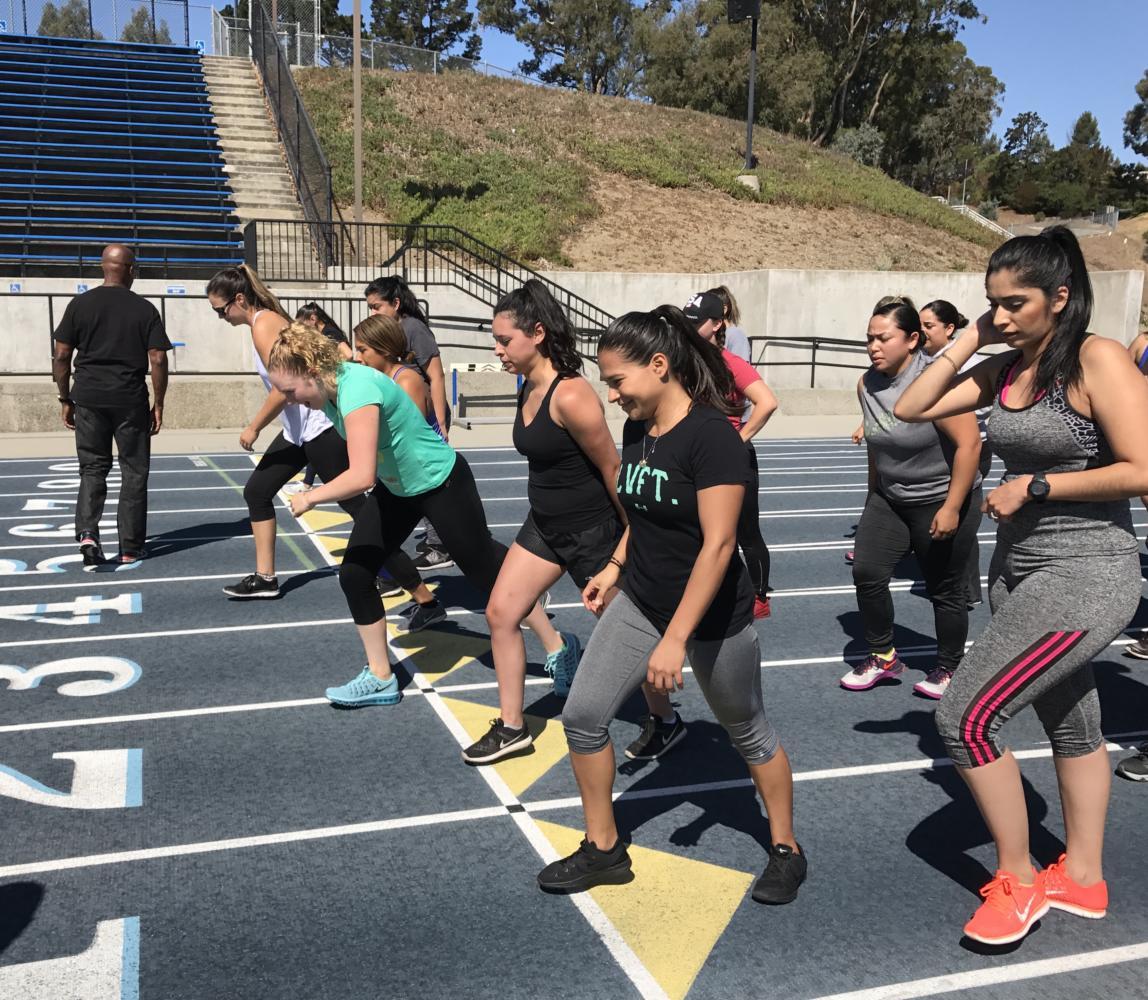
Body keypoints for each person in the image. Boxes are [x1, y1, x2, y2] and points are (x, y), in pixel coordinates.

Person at [895, 226, 1148, 944]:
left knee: (965, 719)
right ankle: (1084, 878)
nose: (1001, 316)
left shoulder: (1096, 358)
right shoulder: (1004, 366)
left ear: (1060, 297)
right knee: (1073, 724)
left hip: (1086, 574)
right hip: (1018, 571)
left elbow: (1144, 468)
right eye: (992, 303)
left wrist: (1038, 485)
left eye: (1015, 303)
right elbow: (910, 407)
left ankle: (1020, 879)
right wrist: (971, 338)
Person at [535, 306, 806, 906]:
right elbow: (644, 511)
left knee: (747, 730)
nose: (611, 396)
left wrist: (676, 639)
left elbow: (719, 545)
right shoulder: (641, 428)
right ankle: (604, 849)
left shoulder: (713, 438)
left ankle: (786, 847)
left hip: (712, 617)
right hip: (643, 599)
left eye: (617, 381)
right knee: (583, 717)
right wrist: (614, 566)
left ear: (659, 366)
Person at [265, 324, 552, 707]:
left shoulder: (356, 389)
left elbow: (361, 475)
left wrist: (311, 497)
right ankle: (381, 677)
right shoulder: (331, 390)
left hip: (440, 483)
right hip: (399, 488)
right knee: (355, 574)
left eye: (289, 392)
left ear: (313, 372)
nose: (289, 401)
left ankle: (557, 646)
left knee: (487, 575)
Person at [206, 266, 433, 614]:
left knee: (359, 510)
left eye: (221, 311)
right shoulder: (261, 323)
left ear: (239, 299)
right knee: (257, 491)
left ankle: (421, 594)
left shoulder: (264, 325)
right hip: (298, 431)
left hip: (318, 428)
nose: (221, 318)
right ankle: (265, 578)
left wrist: (254, 426)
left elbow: (285, 385)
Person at [462, 281, 624, 765]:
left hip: (593, 531)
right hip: (545, 526)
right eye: (495, 341)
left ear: (537, 333)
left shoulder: (570, 395)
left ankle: (665, 719)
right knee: (500, 613)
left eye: (504, 340)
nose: (497, 350)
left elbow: (611, 468)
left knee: (625, 634)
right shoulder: (526, 386)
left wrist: (631, 539)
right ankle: (513, 728)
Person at [624, 291, 781, 763]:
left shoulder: (730, 362)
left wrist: (739, 437)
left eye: (700, 320)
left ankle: (756, 597)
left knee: (738, 537)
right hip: (686, 463)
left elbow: (766, 402)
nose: (693, 327)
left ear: (720, 322)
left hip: (722, 461)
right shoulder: (681, 366)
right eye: (688, 319)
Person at [842, 299, 982, 700]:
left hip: (940, 496)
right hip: (890, 496)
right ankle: (883, 656)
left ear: (912, 339)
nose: (873, 346)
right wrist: (872, 498)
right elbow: (876, 445)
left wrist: (952, 507)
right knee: (867, 571)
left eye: (883, 338)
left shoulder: (936, 382)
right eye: (869, 338)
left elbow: (970, 445)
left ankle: (950, 667)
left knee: (944, 588)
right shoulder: (867, 384)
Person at [51, 244, 171, 569]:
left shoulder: (79, 304)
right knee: (134, 471)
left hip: (88, 397)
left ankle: (88, 533)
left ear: (103, 267)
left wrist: (65, 398)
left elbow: (61, 355)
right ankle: (130, 547)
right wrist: (158, 403)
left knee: (93, 468)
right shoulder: (145, 309)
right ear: (131, 270)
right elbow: (158, 359)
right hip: (129, 399)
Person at [365, 276, 453, 570]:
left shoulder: (413, 328)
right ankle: (436, 537)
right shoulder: (389, 332)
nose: (372, 313)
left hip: (425, 413)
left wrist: (440, 423)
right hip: (406, 413)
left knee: (425, 479)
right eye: (369, 307)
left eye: (377, 306)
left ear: (396, 303)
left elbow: (436, 376)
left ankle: (440, 544)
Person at [920, 299, 989, 609]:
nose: (922, 332)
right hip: (940, 447)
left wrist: (950, 408)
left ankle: (965, 590)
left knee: (961, 516)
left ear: (949, 329)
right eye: (919, 326)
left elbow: (984, 404)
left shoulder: (967, 362)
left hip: (971, 447)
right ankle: (953, 582)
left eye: (928, 326)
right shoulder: (925, 360)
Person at [706, 285, 751, 361]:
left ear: (724, 309)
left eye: (708, 307)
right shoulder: (712, 334)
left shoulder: (736, 336)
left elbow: (739, 366)